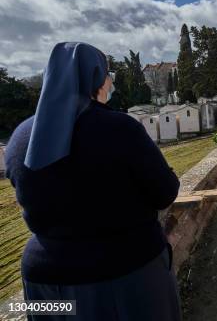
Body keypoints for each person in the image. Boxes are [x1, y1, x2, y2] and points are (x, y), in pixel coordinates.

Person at [4, 42, 181, 321]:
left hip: (44, 286)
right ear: (96, 79)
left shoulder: (21, 136)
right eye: (108, 75)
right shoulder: (120, 128)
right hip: (122, 278)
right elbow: (165, 192)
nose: (111, 82)